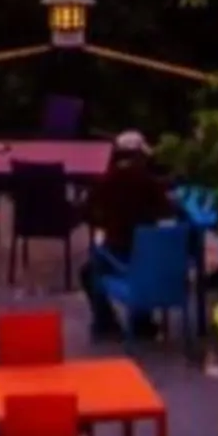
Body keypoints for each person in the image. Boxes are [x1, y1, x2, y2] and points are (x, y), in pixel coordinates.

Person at [82, 130, 177, 334]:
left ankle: (106, 323)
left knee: (89, 270)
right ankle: (142, 321)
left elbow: (89, 213)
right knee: (141, 266)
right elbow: (167, 210)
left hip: (119, 251)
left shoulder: (104, 182)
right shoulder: (149, 182)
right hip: (148, 255)